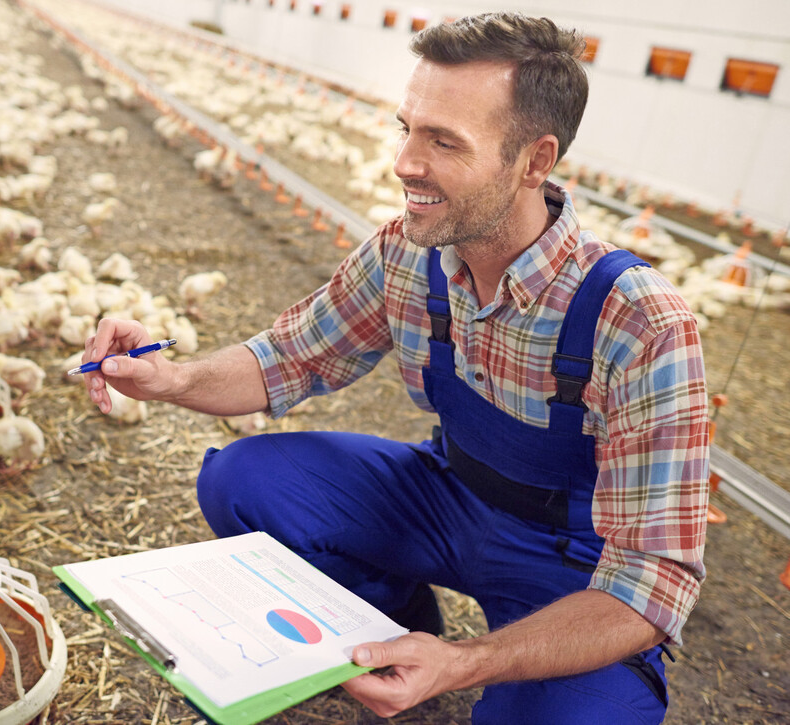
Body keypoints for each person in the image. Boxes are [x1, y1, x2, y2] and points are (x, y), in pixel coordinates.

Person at [82, 12, 708, 723]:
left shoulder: (637, 323)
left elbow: (652, 585)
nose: (404, 161)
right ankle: (396, 627)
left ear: (534, 161)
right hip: (447, 496)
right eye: (405, 127)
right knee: (243, 480)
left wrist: (467, 666)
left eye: (442, 141)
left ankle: (468, 665)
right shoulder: (408, 255)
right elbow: (286, 357)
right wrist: (173, 380)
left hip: (572, 563)